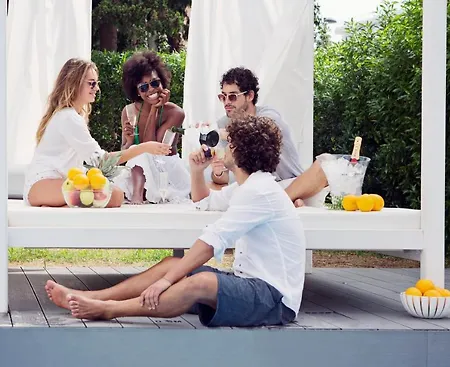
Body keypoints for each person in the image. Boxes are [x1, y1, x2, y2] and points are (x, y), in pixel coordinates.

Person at [44, 115, 306, 327]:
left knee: (198, 282)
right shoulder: (249, 187)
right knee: (173, 264)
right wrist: (197, 171)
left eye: (228, 143)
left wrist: (166, 281)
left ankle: (109, 309)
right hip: (250, 285)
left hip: (275, 300)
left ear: (237, 151)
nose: (223, 148)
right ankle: (91, 296)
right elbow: (204, 202)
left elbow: (213, 240)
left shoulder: (258, 191)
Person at [24, 58, 171, 207]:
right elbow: (101, 161)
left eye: (96, 83)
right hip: (43, 185)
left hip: (51, 186)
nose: (97, 88)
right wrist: (144, 148)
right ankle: (59, 204)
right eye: (91, 83)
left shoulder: (69, 115)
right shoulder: (68, 117)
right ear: (75, 83)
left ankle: (60, 205)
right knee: (115, 195)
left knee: (115, 194)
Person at [210, 67, 328, 206]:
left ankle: (281, 201)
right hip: (252, 187)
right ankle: (286, 202)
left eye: (232, 96)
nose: (226, 102)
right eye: (223, 97)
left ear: (250, 96)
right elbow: (224, 178)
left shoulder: (268, 116)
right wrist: (218, 172)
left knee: (325, 164)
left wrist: (224, 134)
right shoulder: (223, 123)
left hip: (288, 183)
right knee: (209, 188)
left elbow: (261, 130)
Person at [119, 51, 190, 204]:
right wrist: (129, 141)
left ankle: (137, 197)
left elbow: (155, 149)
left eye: (155, 83)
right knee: (136, 151)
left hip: (166, 170)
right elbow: (125, 152)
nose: (151, 89)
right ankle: (138, 195)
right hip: (138, 174)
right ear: (137, 92)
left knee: (141, 151)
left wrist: (154, 110)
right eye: (143, 87)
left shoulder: (176, 113)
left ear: (162, 82)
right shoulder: (129, 112)